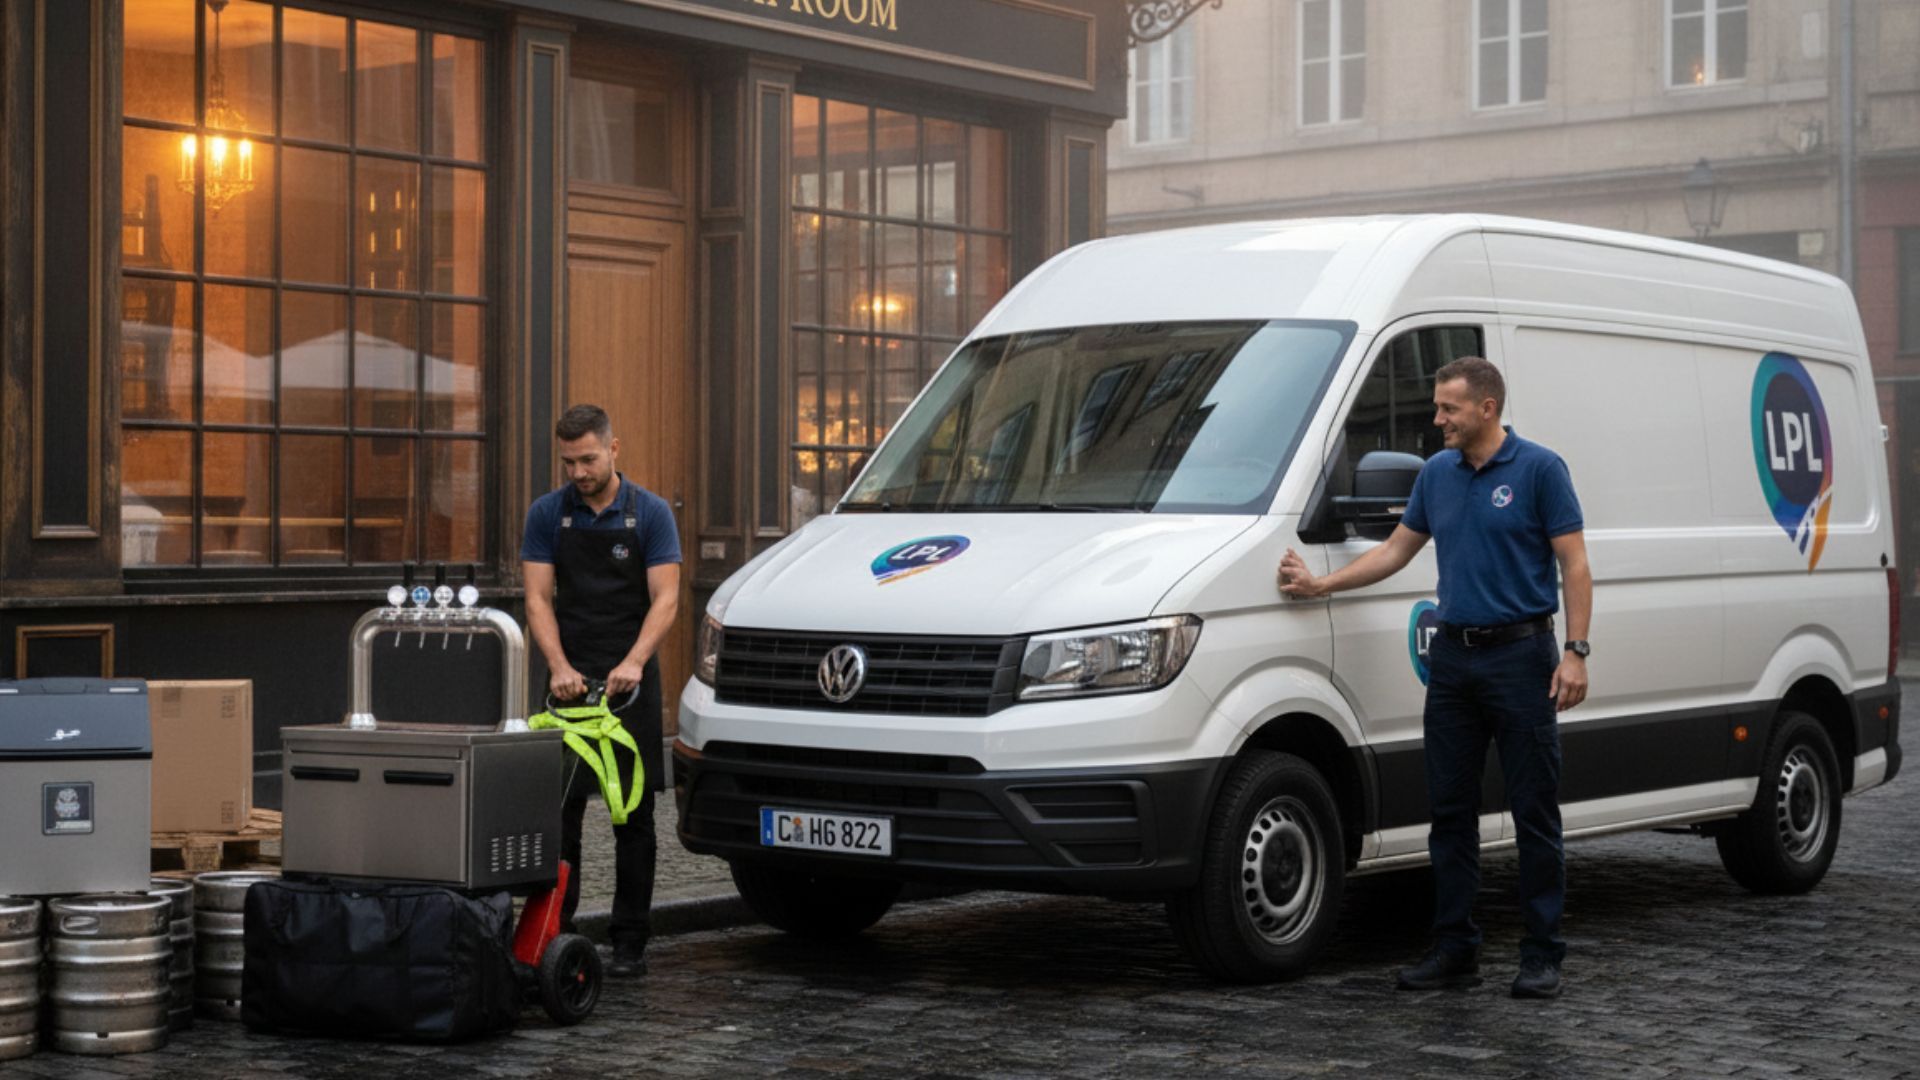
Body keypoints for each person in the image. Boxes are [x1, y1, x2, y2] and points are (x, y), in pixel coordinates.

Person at [1277, 356, 1591, 1000]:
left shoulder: (1540, 470)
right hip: (1454, 661)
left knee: (1535, 813)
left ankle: (1541, 955)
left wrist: (1576, 651)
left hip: (1522, 657)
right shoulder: (1438, 476)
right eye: (1438, 406)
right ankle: (1455, 951)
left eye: (1448, 407)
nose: (1437, 418)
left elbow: (1576, 566)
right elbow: (1396, 550)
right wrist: (1320, 585)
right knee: (1449, 814)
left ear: (1487, 408)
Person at [522, 404, 681, 978]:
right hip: (568, 680)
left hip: (629, 681)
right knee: (557, 814)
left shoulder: (651, 514)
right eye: (569, 462)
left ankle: (630, 941)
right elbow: (539, 598)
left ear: (615, 450)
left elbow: (666, 598)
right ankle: (553, 935)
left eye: (588, 459)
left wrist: (635, 662)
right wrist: (558, 666)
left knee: (632, 816)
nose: (579, 472)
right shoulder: (547, 514)